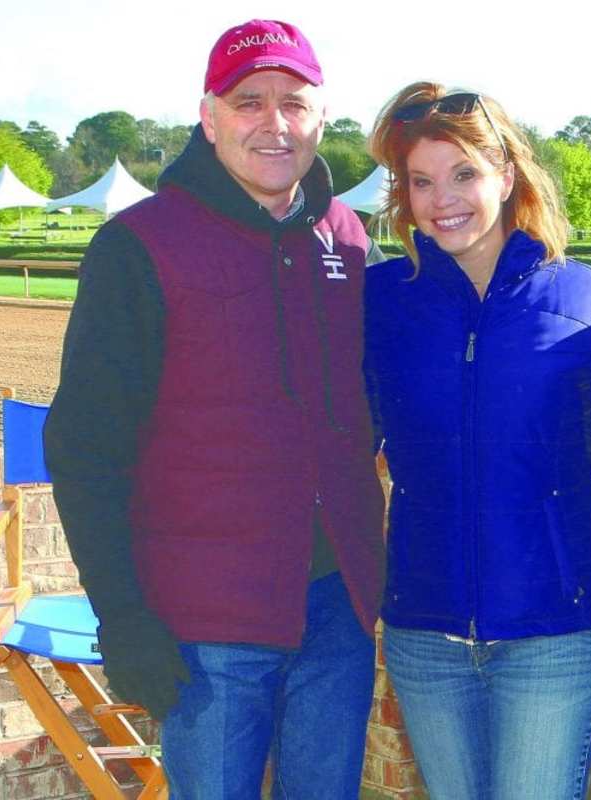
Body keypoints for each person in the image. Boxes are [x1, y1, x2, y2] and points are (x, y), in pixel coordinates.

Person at [43, 19, 385, 799]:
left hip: (337, 607)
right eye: (248, 101)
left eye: (293, 103)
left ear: (319, 118)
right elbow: (85, 446)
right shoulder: (140, 245)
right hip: (207, 621)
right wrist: (121, 613)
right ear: (208, 116)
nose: (274, 123)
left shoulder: (349, 237)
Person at [362, 81, 591, 800]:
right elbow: (340, 443)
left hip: (555, 631)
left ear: (507, 175)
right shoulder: (383, 301)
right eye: (421, 181)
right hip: (425, 631)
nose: (442, 198)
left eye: (463, 174)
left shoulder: (584, 296)